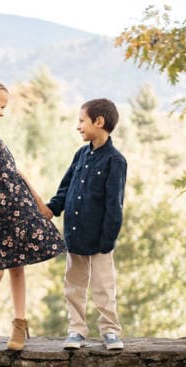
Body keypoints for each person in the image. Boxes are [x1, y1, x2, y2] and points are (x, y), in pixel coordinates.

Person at [0, 77, 65, 351]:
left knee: (18, 267)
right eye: (1, 106)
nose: (2, 112)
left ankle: (19, 324)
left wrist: (39, 202)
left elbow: (15, 173)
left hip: (20, 209)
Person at [43, 98, 127, 351]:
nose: (78, 126)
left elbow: (115, 204)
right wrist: (52, 208)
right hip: (75, 235)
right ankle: (76, 330)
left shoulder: (115, 161)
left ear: (98, 122)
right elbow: (66, 188)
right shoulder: (80, 155)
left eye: (82, 121)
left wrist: (107, 240)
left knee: (103, 286)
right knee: (74, 286)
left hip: (100, 239)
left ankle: (110, 330)